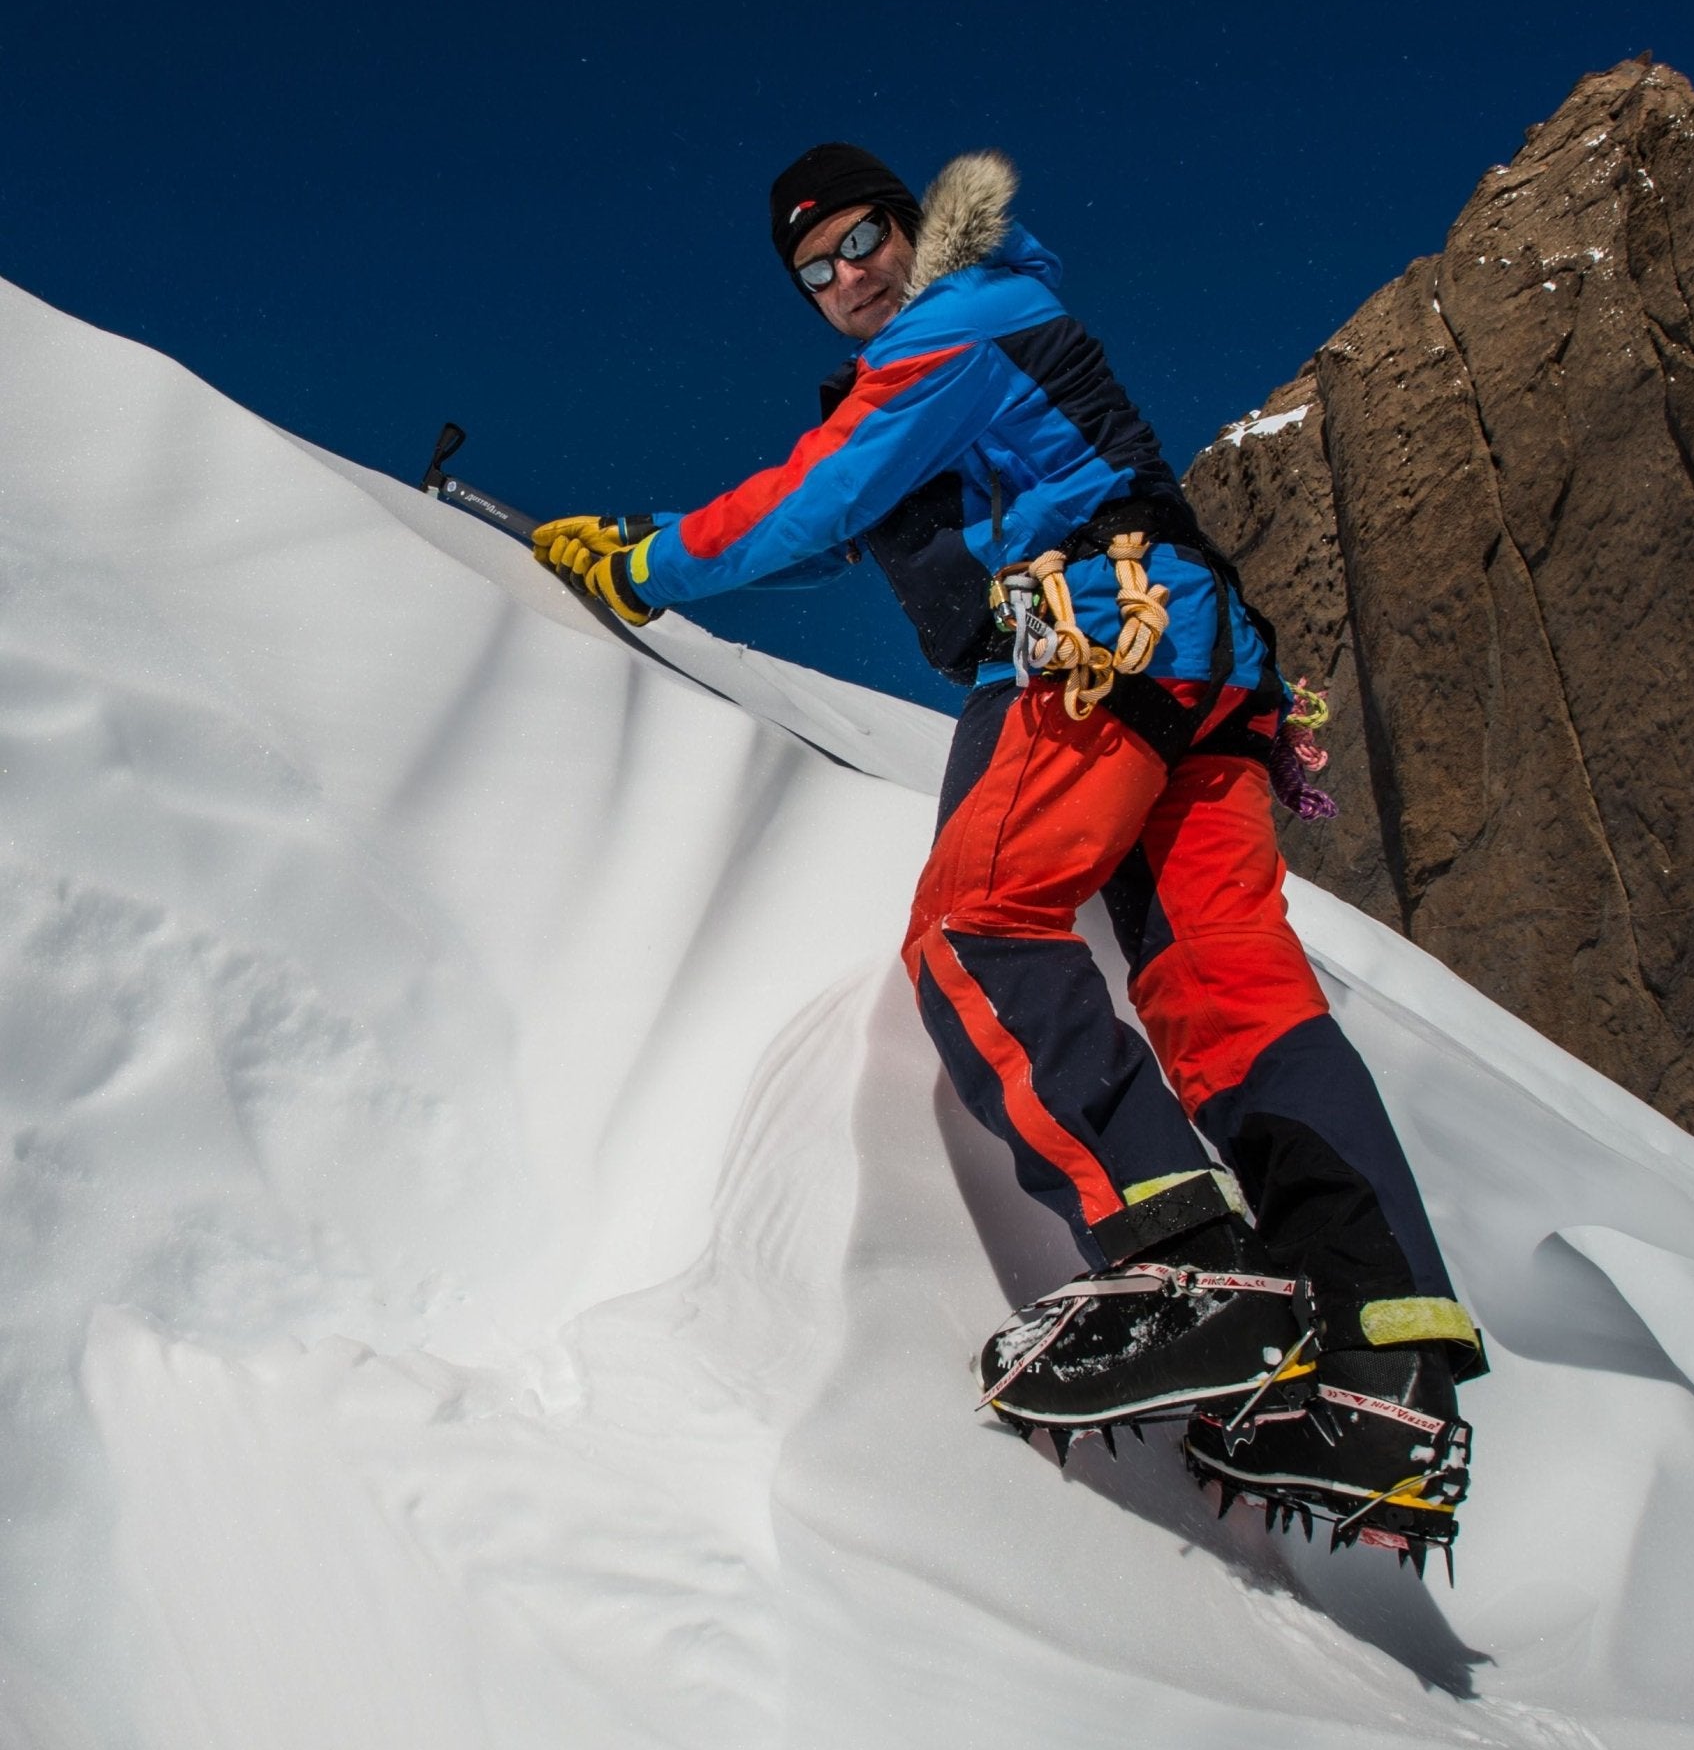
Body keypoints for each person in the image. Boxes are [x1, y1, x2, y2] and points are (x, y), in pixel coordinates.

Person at [532, 144, 1483, 1562]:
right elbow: (850, 522)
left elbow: (817, 497)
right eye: (814, 270)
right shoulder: (968, 352)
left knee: (977, 929)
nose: (846, 277)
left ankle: (1185, 1256)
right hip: (1203, 672)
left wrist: (641, 572)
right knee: (1234, 993)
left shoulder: (957, 322)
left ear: (913, 228)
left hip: (1098, 643)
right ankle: (1385, 1368)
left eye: (861, 239)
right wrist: (664, 539)